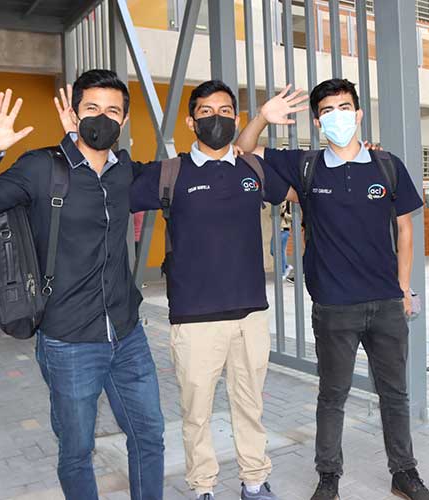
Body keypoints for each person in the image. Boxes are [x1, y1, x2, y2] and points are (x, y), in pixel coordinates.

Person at [0, 70, 165, 500]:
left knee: (149, 436)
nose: (102, 118)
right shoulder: (41, 167)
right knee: (77, 450)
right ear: (74, 112)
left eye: (112, 111)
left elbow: (185, 176)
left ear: (124, 120)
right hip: (69, 341)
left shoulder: (125, 172)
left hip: (127, 334)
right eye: (92, 108)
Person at [235, 79, 429, 500]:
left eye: (344, 107)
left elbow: (404, 230)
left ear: (359, 114)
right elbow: (243, 150)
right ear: (317, 121)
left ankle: (404, 473)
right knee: (332, 396)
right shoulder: (304, 166)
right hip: (333, 306)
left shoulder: (386, 165)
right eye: (327, 110)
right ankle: (328, 477)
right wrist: (262, 118)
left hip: (385, 303)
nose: (337, 116)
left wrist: (403, 288)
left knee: (395, 394)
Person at [129, 80, 303, 500]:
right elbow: (109, 191)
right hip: (194, 319)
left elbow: (301, 192)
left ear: (236, 119)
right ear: (191, 122)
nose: (216, 119)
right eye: (205, 112)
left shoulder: (252, 169)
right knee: (196, 414)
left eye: (225, 111)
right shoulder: (169, 173)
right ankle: (203, 487)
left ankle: (254, 482)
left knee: (250, 407)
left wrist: (360, 158)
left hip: (250, 315)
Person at [271, 202, 293, 280]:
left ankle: (283, 272)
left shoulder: (289, 203)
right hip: (277, 230)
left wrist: (284, 214)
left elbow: (293, 217)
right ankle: (286, 266)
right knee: (272, 250)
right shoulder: (278, 203)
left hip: (284, 230)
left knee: (281, 251)